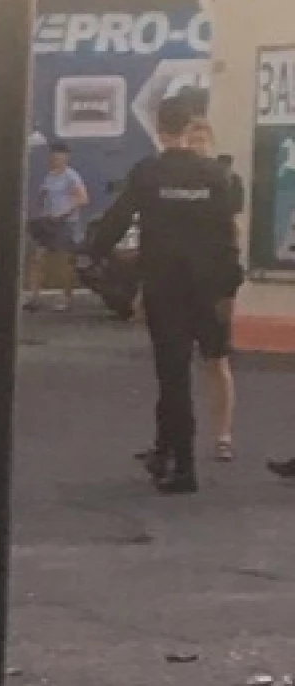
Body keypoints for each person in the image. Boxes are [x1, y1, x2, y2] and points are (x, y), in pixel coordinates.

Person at [86, 91, 242, 495]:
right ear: (189, 127)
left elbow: (117, 219)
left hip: (164, 288)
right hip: (207, 290)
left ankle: (181, 464)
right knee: (213, 361)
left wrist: (96, 253)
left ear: (159, 129)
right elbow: (228, 237)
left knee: (172, 377)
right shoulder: (216, 176)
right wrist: (228, 288)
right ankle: (174, 453)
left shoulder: (148, 173)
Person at [185, 116, 245, 460]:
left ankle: (223, 435)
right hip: (180, 281)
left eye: (202, 139)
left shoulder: (227, 181)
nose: (196, 146)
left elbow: (233, 231)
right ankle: (173, 438)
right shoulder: (175, 181)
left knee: (216, 360)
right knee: (176, 363)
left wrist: (229, 285)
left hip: (213, 281)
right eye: (191, 140)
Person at [26, 141, 89, 310]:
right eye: (53, 154)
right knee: (37, 258)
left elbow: (82, 198)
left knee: (64, 261)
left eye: (59, 154)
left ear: (66, 157)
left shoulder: (71, 176)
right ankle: (34, 297)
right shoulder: (50, 176)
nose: (55, 157)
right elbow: (44, 196)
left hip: (65, 223)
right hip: (48, 223)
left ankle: (66, 297)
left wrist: (63, 212)